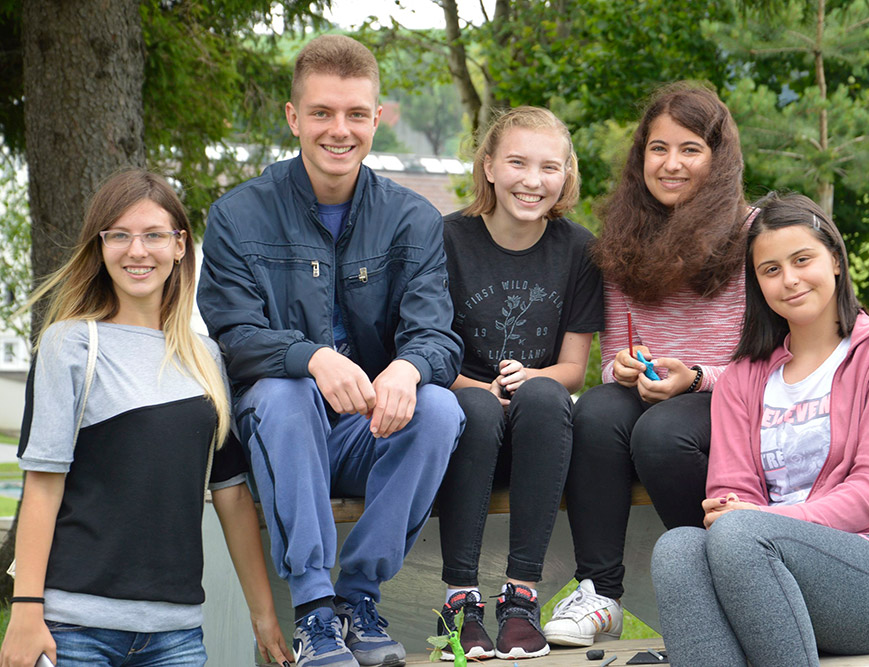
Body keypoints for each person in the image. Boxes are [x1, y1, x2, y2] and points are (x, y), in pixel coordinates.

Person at [197, 34, 465, 667]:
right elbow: (232, 335)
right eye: (321, 113)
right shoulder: (238, 215)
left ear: (377, 118)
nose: (337, 130)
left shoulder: (412, 218)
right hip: (282, 434)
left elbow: (438, 336)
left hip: (362, 433)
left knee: (441, 410)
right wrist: (312, 357)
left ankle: (357, 599)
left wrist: (410, 365)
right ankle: (313, 611)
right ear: (294, 117)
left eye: (354, 114)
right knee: (285, 391)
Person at [0, 170, 291, 667]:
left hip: (175, 636)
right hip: (75, 628)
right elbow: (43, 488)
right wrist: (26, 611)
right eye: (120, 235)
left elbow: (233, 496)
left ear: (180, 245)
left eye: (154, 235)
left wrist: (263, 616)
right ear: (100, 245)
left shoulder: (206, 358)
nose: (138, 251)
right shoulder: (70, 344)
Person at [651, 192, 869, 666]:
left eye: (802, 260)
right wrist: (746, 521)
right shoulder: (743, 377)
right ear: (757, 283)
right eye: (771, 269)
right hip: (764, 569)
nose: (790, 280)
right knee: (677, 549)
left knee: (740, 534)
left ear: (837, 261)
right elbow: (730, 496)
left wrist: (759, 523)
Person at [544, 82, 755, 646]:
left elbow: (780, 364)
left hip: (733, 397)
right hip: (656, 392)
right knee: (592, 411)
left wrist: (700, 377)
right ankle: (599, 594)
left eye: (690, 149)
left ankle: (723, 581)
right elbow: (614, 357)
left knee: (661, 435)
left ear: (719, 157)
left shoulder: (754, 232)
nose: (671, 164)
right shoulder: (624, 237)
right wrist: (626, 368)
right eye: (657, 148)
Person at [435, 107, 603, 660]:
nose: (533, 181)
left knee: (546, 392)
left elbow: (573, 369)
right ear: (487, 167)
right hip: (467, 439)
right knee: (476, 410)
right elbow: (427, 352)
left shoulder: (578, 249)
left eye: (548, 167)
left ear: (566, 175)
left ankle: (521, 596)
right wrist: (478, 389)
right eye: (517, 162)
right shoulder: (447, 240)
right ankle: (460, 599)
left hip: (539, 438)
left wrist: (531, 376)